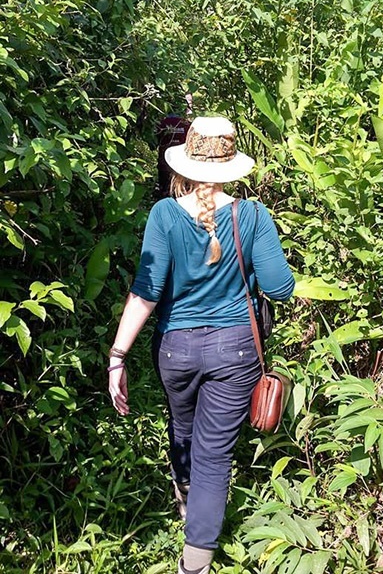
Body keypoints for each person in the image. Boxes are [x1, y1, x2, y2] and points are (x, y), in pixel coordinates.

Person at [108, 117, 295, 574]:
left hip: (177, 350)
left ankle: (186, 504)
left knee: (184, 429)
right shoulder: (253, 217)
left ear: (187, 165)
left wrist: (117, 357)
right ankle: (195, 565)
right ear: (233, 164)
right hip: (236, 352)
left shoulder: (164, 214)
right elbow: (280, 287)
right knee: (215, 454)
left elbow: (147, 289)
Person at [155, 97, 193, 198]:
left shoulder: (162, 123)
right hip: (181, 164)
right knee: (181, 191)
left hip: (164, 161)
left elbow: (157, 140)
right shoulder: (186, 125)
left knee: (164, 188)